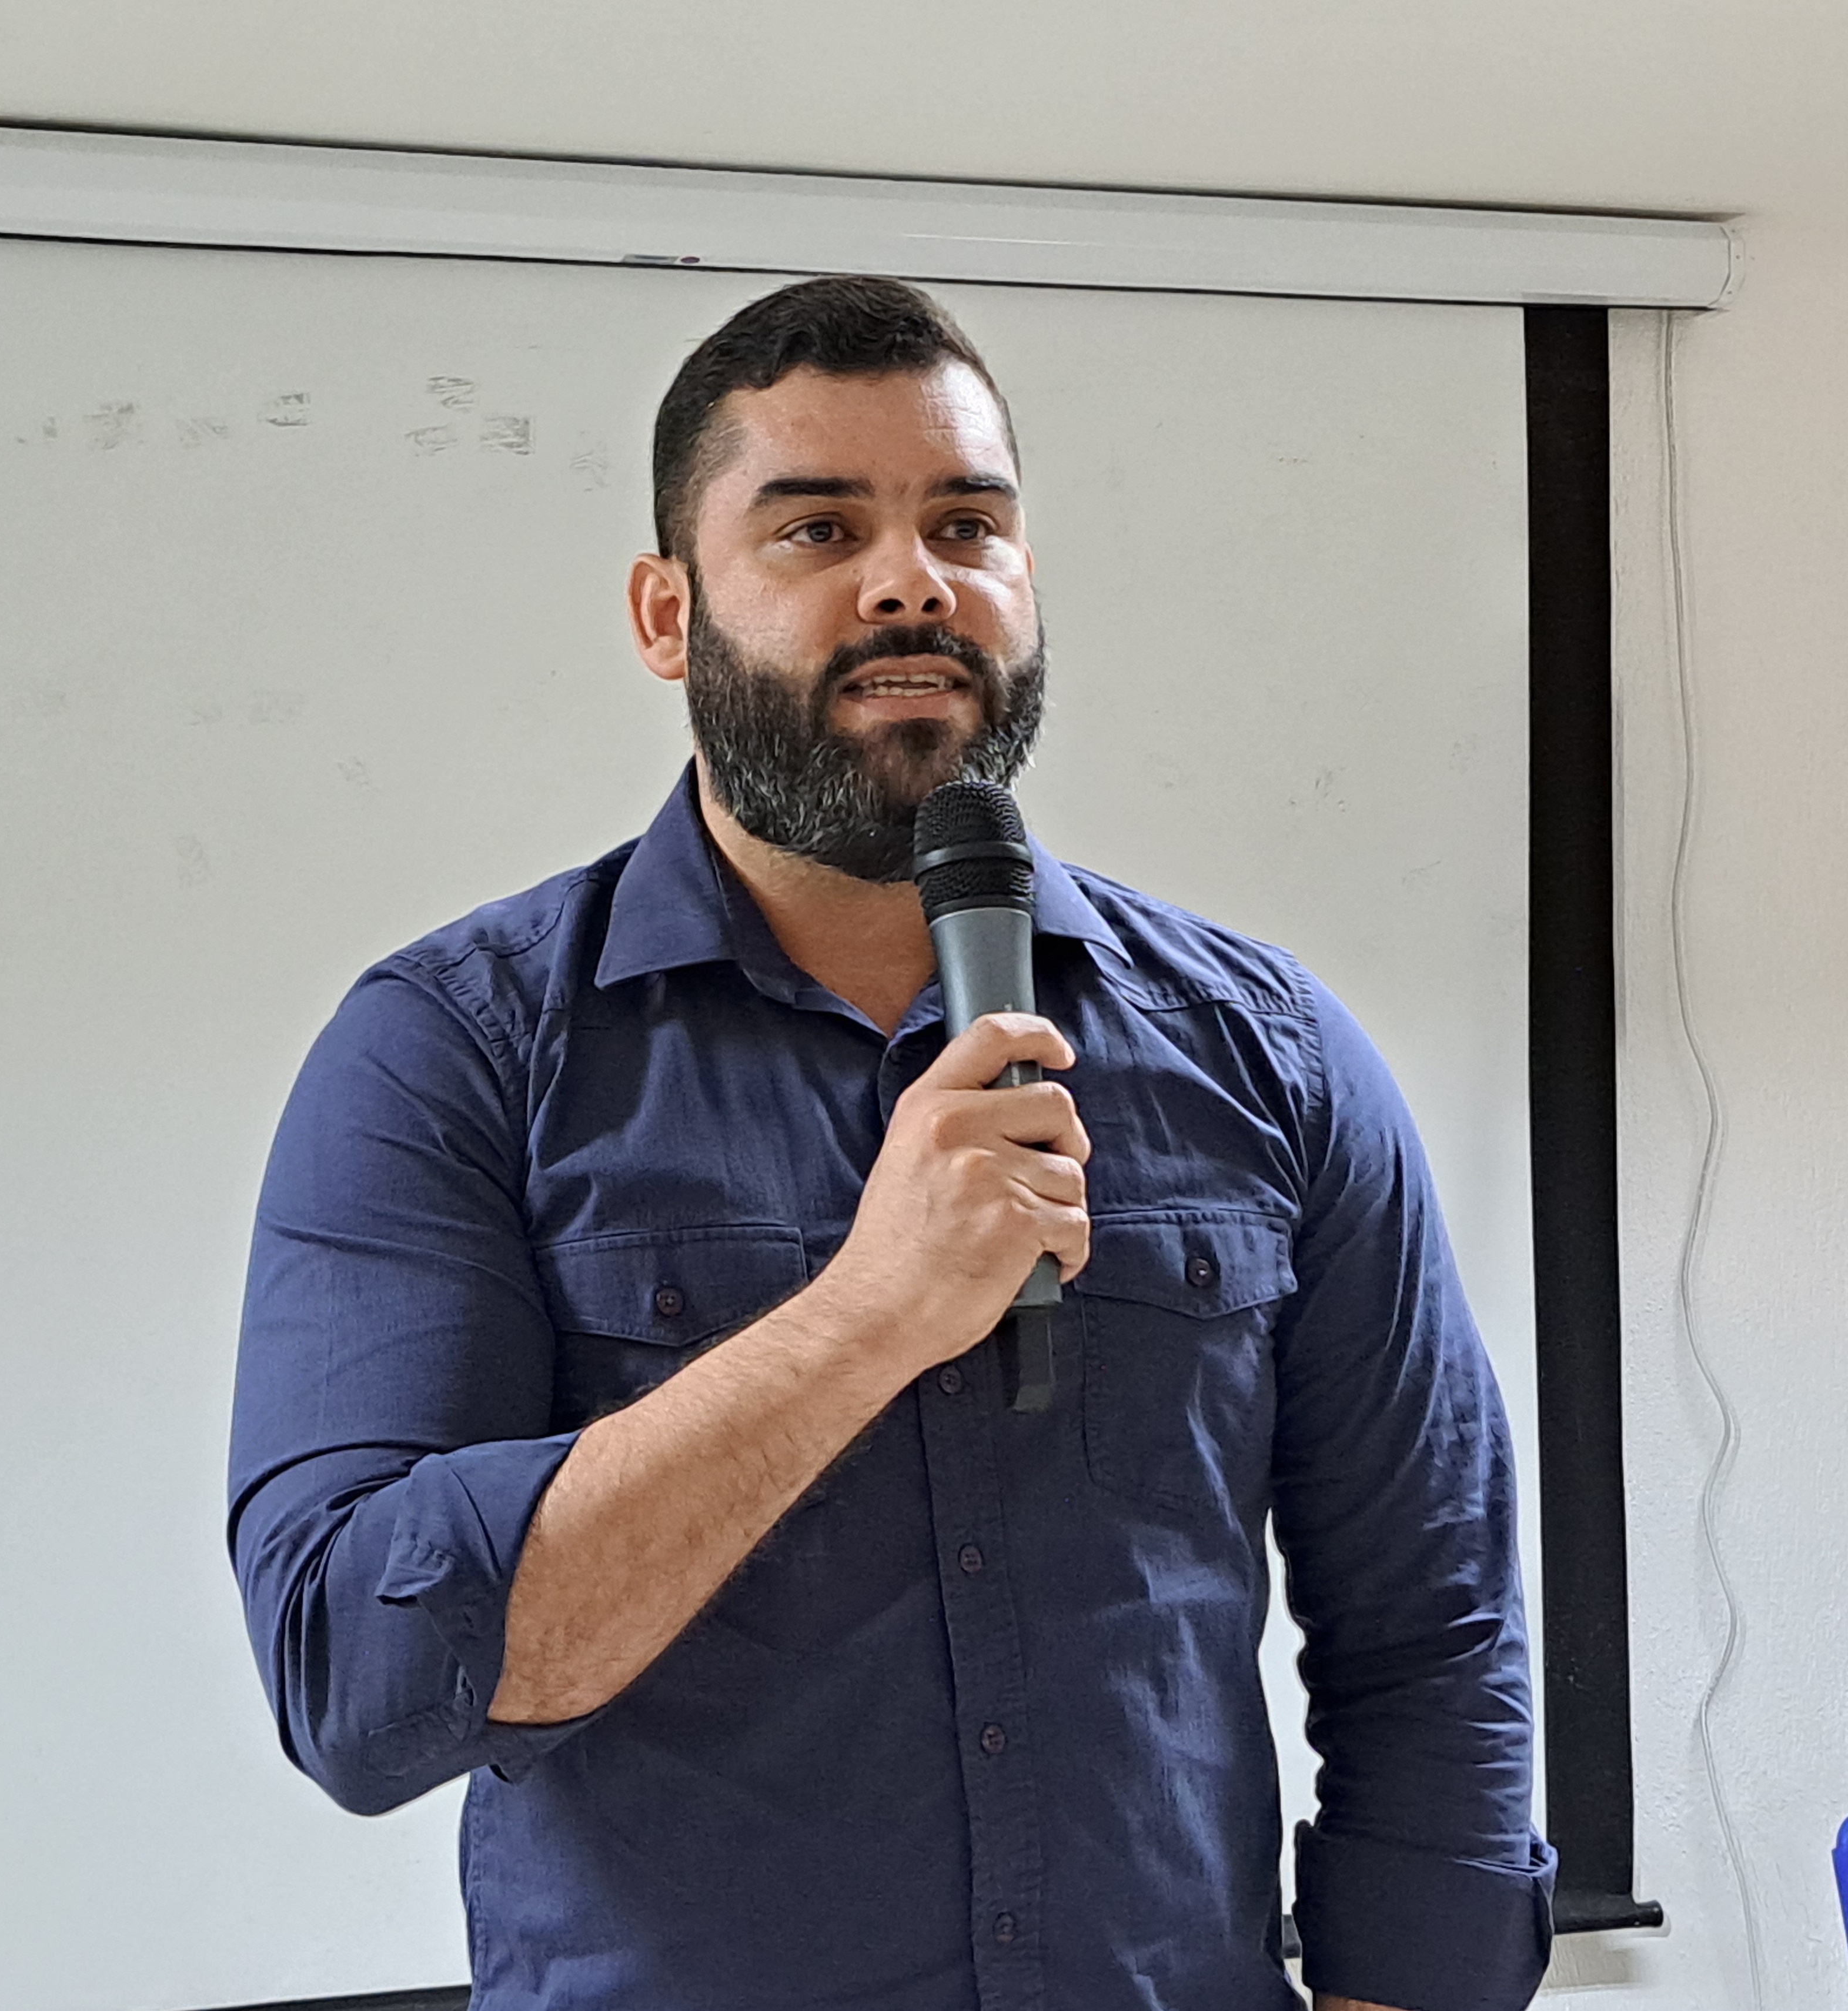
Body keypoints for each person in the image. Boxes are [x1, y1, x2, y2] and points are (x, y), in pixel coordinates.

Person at [229, 275, 1555, 2011]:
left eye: (967, 525)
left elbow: (1435, 1633)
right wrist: (868, 1316)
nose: (911, 581)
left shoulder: (1272, 1055)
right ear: (667, 613)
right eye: (818, 528)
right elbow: (360, 1677)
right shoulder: (456, 1052)